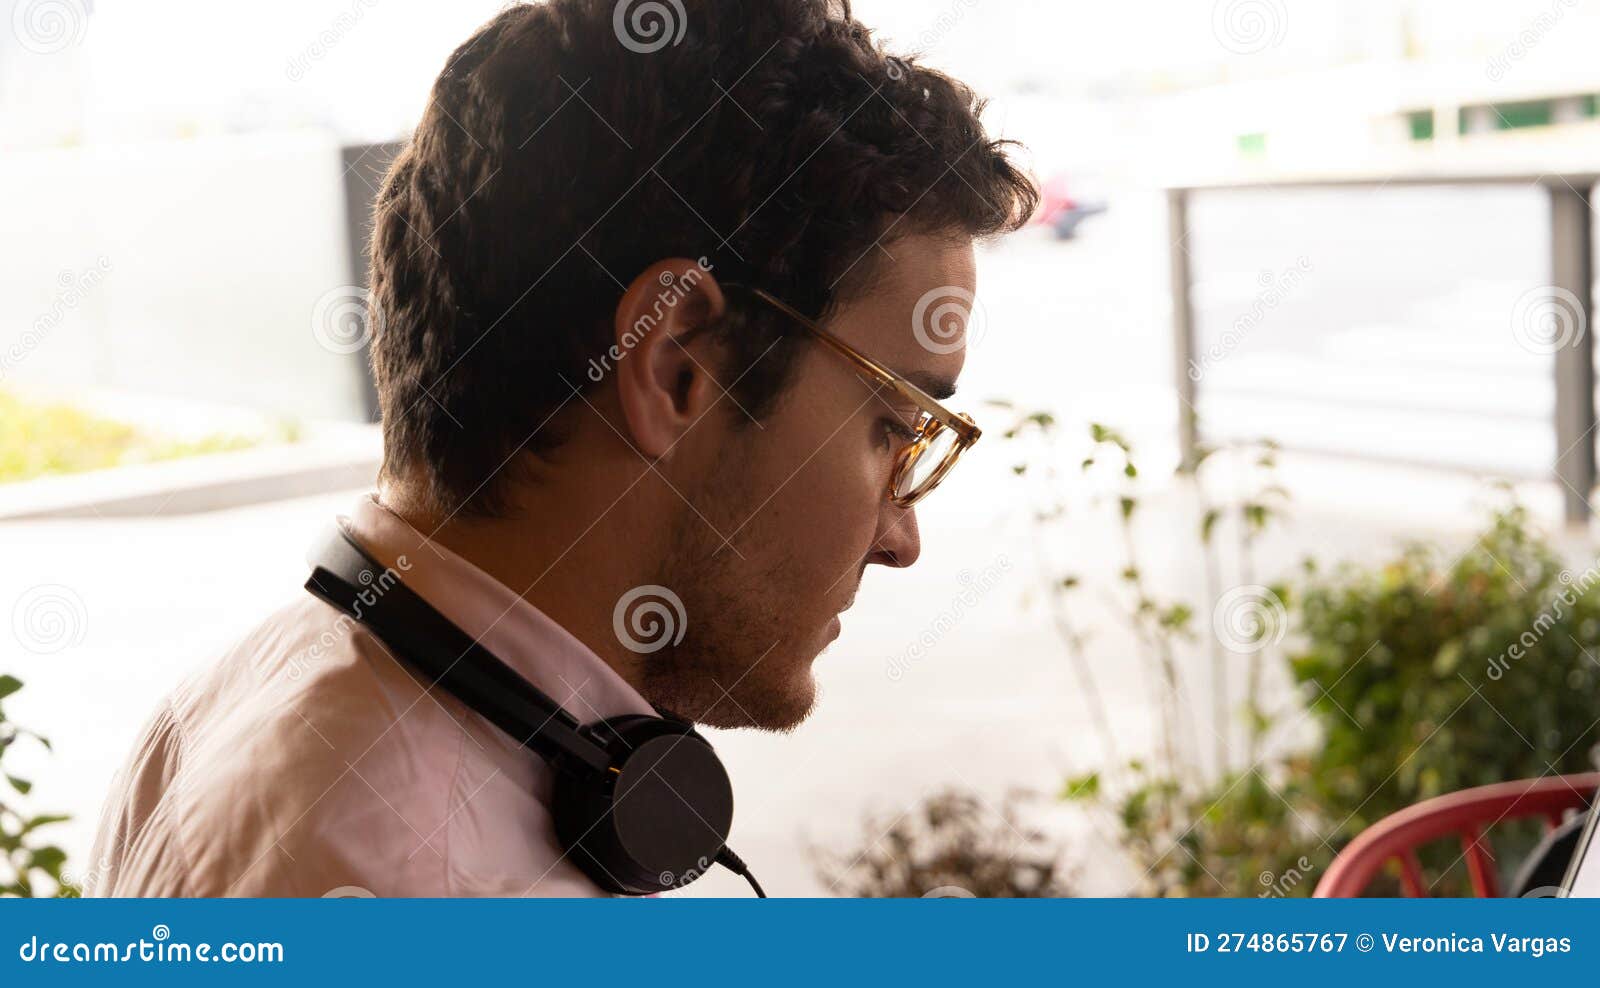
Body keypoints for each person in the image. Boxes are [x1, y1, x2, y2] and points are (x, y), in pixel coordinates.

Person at [88, 0, 1036, 897]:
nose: (903, 539)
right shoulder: (431, 886)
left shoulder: (228, 702)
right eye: (894, 427)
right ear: (673, 365)